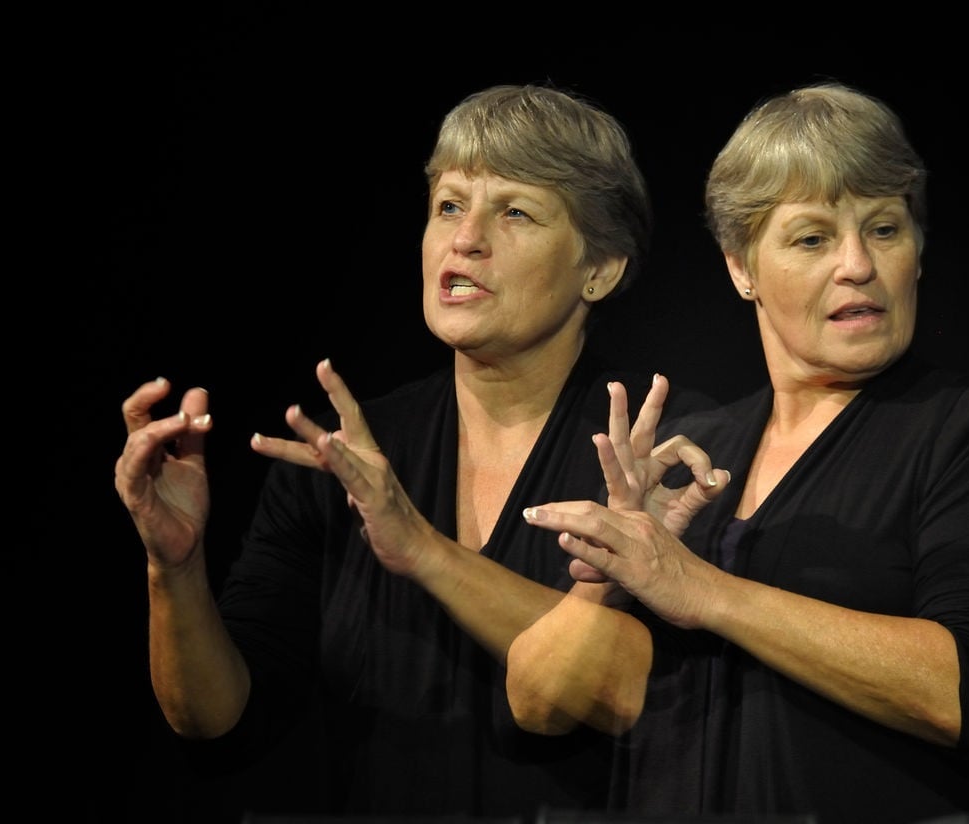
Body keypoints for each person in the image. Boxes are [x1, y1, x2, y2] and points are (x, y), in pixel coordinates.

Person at [114, 83, 723, 820]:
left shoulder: (669, 454)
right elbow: (219, 722)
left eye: (516, 211)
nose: (466, 239)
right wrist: (172, 569)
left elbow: (643, 698)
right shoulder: (345, 453)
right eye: (449, 206)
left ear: (600, 269)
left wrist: (422, 547)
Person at [513, 82, 969, 824]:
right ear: (742, 268)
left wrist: (703, 589)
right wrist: (612, 572)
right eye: (812, 238)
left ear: (919, 250)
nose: (857, 265)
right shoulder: (698, 449)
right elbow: (539, 702)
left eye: (883, 229)